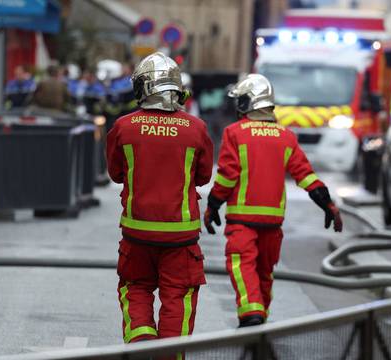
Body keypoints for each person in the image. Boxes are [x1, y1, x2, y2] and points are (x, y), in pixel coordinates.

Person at [204, 74, 343, 327]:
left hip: (242, 220)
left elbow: (227, 175)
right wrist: (328, 204)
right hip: (272, 222)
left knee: (241, 264)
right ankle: (261, 319)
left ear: (249, 103)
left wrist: (213, 204)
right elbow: (305, 174)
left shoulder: (234, 133)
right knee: (264, 273)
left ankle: (251, 313)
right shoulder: (286, 136)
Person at [106, 52, 214, 348]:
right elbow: (203, 177)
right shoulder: (196, 128)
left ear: (143, 87)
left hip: (136, 235)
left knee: (136, 289)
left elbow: (116, 173)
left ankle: (141, 343)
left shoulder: (124, 126)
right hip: (181, 238)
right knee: (177, 299)